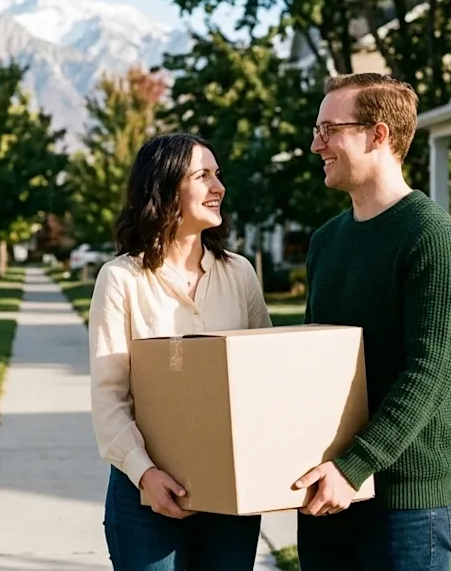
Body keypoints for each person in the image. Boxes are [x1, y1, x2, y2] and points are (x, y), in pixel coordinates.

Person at [291, 73, 451, 571]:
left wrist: (354, 469)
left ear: (379, 135)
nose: (316, 145)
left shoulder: (431, 237)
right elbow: (313, 365)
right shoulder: (326, 241)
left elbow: (427, 375)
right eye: (317, 129)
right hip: (326, 491)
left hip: (405, 503)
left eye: (330, 129)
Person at [88, 132, 273, 571]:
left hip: (231, 493)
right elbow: (109, 397)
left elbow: (265, 379)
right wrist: (145, 474)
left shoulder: (239, 274)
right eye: (203, 175)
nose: (219, 187)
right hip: (146, 493)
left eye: (218, 175)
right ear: (167, 189)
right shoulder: (121, 280)